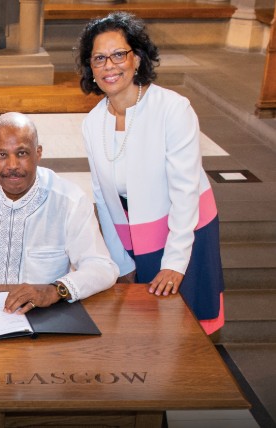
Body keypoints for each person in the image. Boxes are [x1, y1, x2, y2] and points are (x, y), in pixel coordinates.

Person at [76, 12, 225, 334]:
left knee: (185, 326)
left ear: (138, 59)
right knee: (142, 326)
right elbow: (103, 199)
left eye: (119, 54)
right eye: (99, 58)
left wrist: (174, 263)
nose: (109, 66)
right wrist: (120, 260)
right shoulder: (92, 122)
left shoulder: (173, 109)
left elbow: (185, 192)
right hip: (131, 230)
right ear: (90, 67)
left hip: (184, 228)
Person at [0, 112, 119, 319]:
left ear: (38, 153)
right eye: (2, 155)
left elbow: (102, 267)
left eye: (21, 153)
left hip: (48, 317)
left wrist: (55, 290)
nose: (12, 165)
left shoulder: (69, 199)